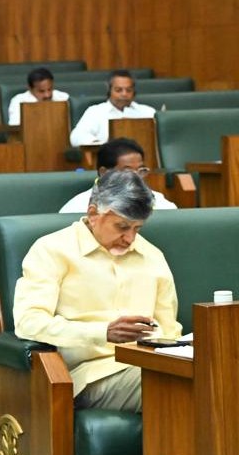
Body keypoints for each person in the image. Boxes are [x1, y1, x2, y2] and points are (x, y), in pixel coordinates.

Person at [15, 170, 180, 412]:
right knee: (176, 383)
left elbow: (170, 328)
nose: (130, 238)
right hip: (90, 375)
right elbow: (28, 322)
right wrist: (102, 332)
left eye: (138, 228)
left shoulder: (152, 256)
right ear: (93, 213)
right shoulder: (52, 250)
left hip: (150, 364)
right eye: (122, 227)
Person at [59, 138, 177, 212]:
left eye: (141, 170)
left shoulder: (157, 200)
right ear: (104, 172)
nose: (136, 177)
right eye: (127, 171)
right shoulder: (77, 207)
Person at [70, 70, 156, 146]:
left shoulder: (148, 112)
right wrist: (99, 145)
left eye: (128, 90)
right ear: (109, 90)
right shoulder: (95, 111)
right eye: (118, 90)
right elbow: (77, 136)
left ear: (134, 92)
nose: (124, 94)